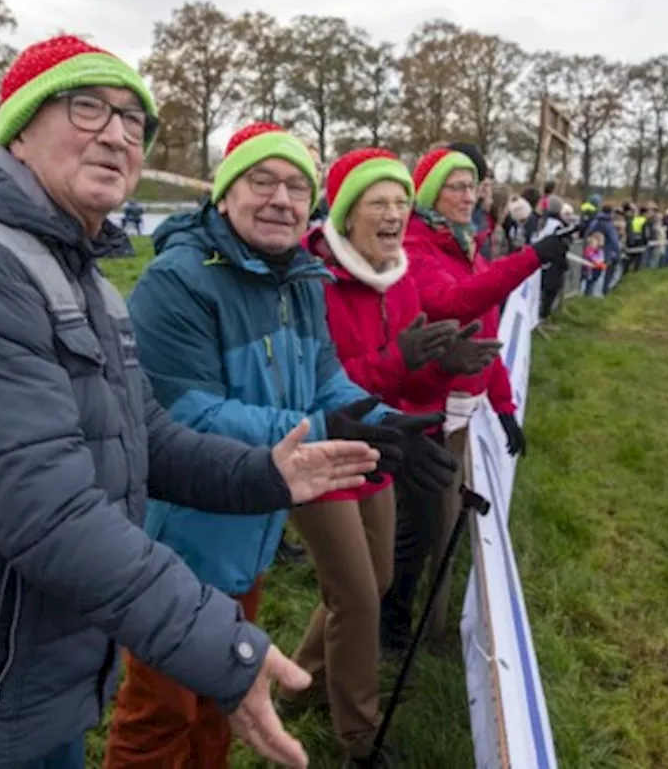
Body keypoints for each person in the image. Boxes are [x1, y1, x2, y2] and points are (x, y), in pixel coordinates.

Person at [0, 35, 383, 769]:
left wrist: (267, 477)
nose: (117, 132)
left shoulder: (76, 273)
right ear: (20, 127)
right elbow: (50, 512)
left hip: (30, 664)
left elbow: (145, 434)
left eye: (133, 120)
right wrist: (220, 645)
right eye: (88, 107)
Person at [104, 123, 442, 769]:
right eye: (261, 181)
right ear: (224, 195)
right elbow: (184, 412)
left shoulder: (300, 280)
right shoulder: (176, 282)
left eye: (296, 187)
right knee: (158, 715)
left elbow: (322, 378)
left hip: (253, 525)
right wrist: (325, 431)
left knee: (219, 700)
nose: (280, 199)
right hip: (179, 540)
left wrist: (381, 418)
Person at [281, 148, 492, 766]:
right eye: (380, 202)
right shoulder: (313, 280)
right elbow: (324, 381)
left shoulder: (399, 277)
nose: (396, 213)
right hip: (320, 448)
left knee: (372, 579)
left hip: (378, 442)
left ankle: (296, 685)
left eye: (402, 201)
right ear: (347, 215)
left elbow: (392, 381)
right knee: (358, 594)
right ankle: (360, 737)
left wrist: (436, 361)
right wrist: (402, 360)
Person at [382, 147, 570, 652]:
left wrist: (505, 407)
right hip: (418, 410)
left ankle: (414, 613)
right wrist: (531, 259)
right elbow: (456, 303)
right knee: (416, 526)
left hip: (457, 410)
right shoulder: (416, 250)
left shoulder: (469, 247)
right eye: (456, 187)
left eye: (474, 186)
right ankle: (391, 619)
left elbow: (486, 336)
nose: (470, 196)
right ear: (429, 194)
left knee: (432, 524)